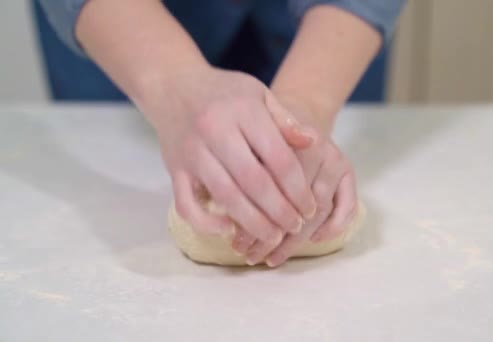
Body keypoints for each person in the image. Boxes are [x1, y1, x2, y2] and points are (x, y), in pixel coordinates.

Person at [35, 0, 406, 267]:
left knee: (311, 176)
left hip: (328, 24)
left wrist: (305, 106)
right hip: (120, 18)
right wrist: (173, 84)